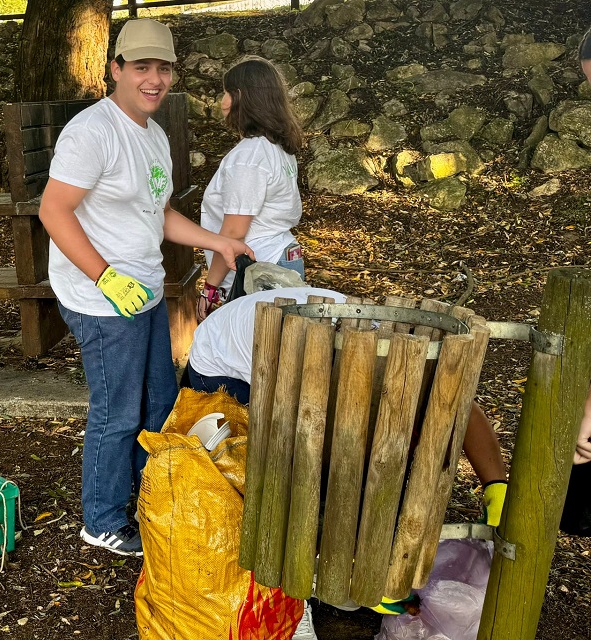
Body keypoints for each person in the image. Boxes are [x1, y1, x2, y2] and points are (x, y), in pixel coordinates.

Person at [38, 18, 253, 557]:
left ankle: (146, 500)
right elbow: (53, 211)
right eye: (141, 68)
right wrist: (104, 276)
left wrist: (217, 243)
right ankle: (102, 518)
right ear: (116, 70)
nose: (153, 79)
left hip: (146, 290)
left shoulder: (154, 135)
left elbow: (158, 215)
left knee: (159, 399)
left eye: (162, 68)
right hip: (98, 297)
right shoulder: (92, 132)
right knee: (118, 410)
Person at [181, 287, 511, 636]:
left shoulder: (416, 365)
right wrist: (349, 564)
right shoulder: (338, 387)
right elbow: (311, 468)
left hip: (299, 348)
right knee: (271, 480)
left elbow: (462, 410)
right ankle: (290, 597)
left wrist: (497, 488)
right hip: (224, 363)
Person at [197, 58, 305, 321]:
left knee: (258, 352)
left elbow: (233, 233)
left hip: (259, 270)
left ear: (242, 97)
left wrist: (211, 289)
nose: (221, 101)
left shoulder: (249, 157)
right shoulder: (277, 147)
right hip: (282, 256)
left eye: (227, 92)